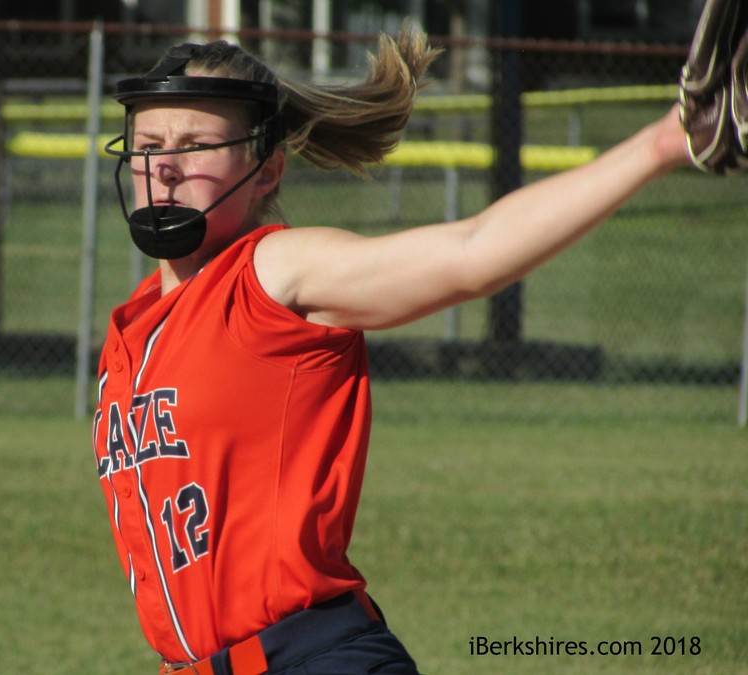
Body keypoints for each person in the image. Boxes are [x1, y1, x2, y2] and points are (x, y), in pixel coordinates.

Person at [92, 26, 692, 675]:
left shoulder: (273, 274)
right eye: (149, 145)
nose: (165, 166)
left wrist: (659, 145)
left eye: (196, 144)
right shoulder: (133, 331)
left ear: (266, 168)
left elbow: (472, 253)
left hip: (314, 658)